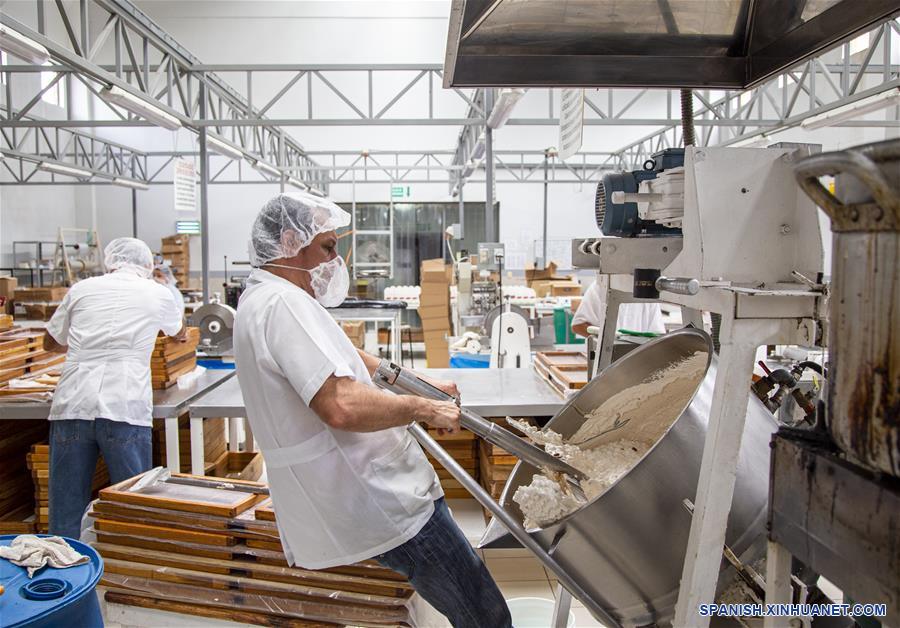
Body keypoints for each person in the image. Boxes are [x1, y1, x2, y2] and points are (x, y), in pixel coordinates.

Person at [234, 193, 512, 628]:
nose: (334, 261)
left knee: (473, 600)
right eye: (327, 247)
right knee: (485, 613)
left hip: (366, 487)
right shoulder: (281, 304)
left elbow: (340, 353)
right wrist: (423, 408)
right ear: (290, 241)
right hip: (379, 496)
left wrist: (415, 382)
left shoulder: (268, 298)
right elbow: (340, 405)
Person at [43, 237, 185, 538]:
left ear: (110, 261)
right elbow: (180, 332)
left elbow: (50, 342)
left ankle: (66, 578)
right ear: (148, 266)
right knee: (131, 508)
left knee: (66, 508)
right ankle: (128, 572)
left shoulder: (81, 289)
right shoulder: (157, 293)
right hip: (125, 405)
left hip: (73, 402)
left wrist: (85, 347)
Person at [571, 280, 666, 338]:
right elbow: (578, 326)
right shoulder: (601, 285)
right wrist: (606, 341)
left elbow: (657, 334)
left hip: (637, 359)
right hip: (603, 359)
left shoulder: (648, 290)